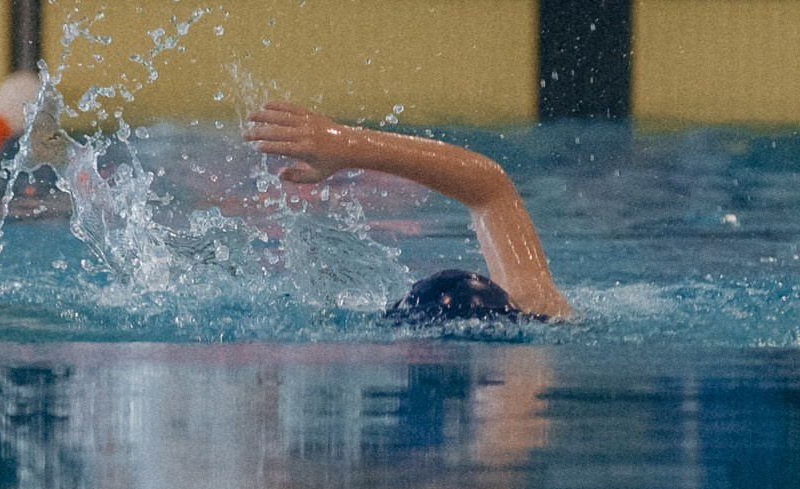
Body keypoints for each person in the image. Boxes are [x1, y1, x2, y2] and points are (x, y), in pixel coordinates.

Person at [243, 100, 573, 323]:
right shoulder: (540, 310)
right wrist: (344, 144)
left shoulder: (538, 310)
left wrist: (345, 143)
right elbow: (491, 187)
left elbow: (490, 186)